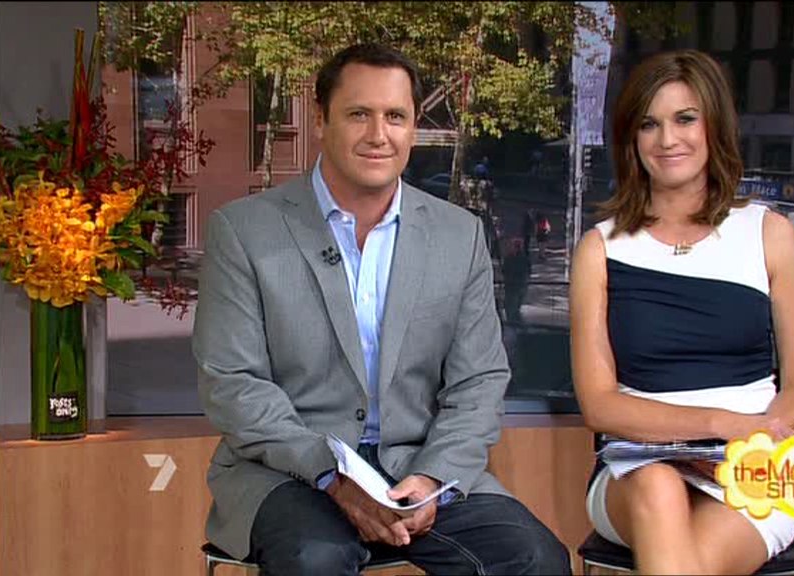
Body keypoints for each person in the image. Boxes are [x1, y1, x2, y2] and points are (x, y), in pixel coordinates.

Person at [193, 43, 570, 576]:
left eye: (395, 116)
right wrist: (331, 474)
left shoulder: (457, 235)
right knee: (315, 560)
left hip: (417, 464)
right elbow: (233, 382)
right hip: (289, 470)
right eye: (358, 114)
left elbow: (479, 381)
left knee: (534, 558)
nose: (379, 134)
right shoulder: (244, 231)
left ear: (413, 127)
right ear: (321, 120)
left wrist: (434, 475)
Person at [568, 50, 794, 575]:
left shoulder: (769, 234)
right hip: (635, 465)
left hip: (750, 464)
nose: (667, 139)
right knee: (658, 485)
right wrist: (717, 425)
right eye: (649, 124)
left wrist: (754, 440)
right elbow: (600, 405)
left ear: (713, 127)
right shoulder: (600, 249)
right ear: (631, 139)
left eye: (685, 119)